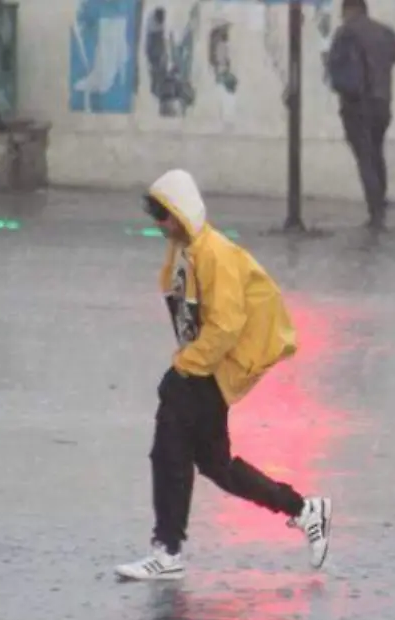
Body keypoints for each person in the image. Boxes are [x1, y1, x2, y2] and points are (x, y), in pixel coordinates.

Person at [115, 169, 332, 581]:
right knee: (216, 464)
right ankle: (303, 510)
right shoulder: (189, 249)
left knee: (169, 452)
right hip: (207, 369)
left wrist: (184, 368)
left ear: (180, 212)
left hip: (210, 371)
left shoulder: (213, 253)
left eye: (163, 215)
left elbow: (226, 325)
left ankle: (167, 550)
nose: (159, 224)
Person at [328, 0, 395, 231]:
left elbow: (336, 71)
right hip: (382, 104)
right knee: (376, 152)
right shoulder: (386, 33)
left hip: (356, 104)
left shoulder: (345, 32)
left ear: (348, 10)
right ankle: (379, 205)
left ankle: (375, 213)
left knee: (365, 157)